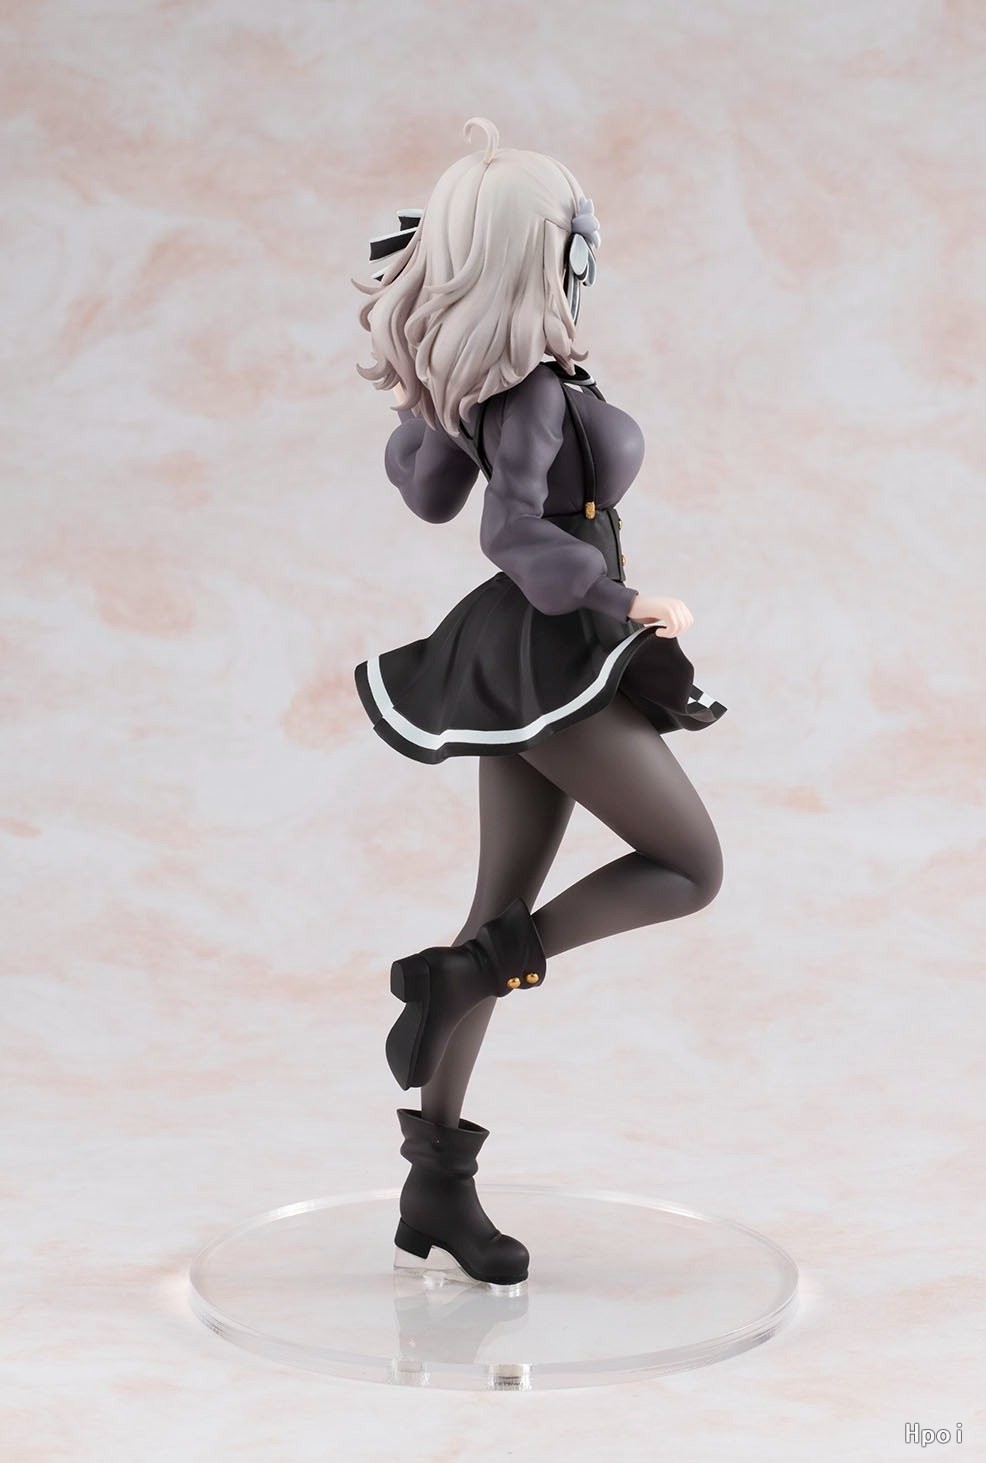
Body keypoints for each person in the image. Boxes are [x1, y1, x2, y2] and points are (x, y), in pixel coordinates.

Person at [352, 117, 727, 1290]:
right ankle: (470, 973)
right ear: (542, 250)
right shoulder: (522, 390)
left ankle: (435, 1183)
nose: (586, 254)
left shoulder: (529, 374)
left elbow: (450, 495)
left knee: (494, 904)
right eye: (573, 236)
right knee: (688, 866)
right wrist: (619, 600)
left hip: (537, 654)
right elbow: (508, 529)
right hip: (550, 648)